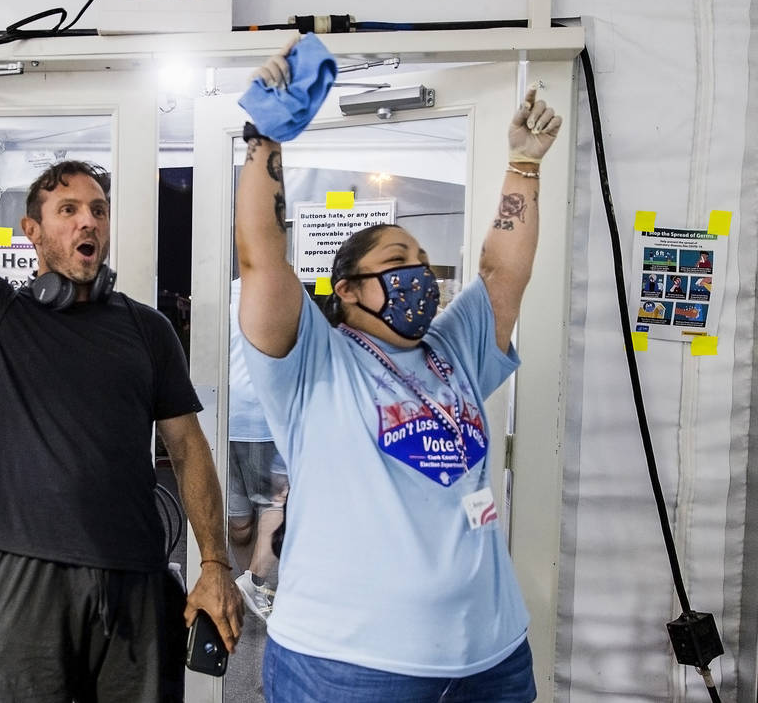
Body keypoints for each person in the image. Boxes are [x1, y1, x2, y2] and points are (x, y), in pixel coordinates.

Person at [0, 15, 243, 702]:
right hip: (23, 579)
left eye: (97, 208)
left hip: (135, 577)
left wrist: (214, 560)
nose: (87, 220)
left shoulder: (147, 330)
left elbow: (188, 447)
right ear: (33, 230)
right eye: (67, 209)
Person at [234, 39, 562, 702]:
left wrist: (523, 165)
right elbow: (261, 260)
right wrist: (265, 141)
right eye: (396, 259)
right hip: (346, 663)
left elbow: (501, 270)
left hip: (490, 656)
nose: (417, 271)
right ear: (348, 290)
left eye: (420, 256)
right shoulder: (314, 361)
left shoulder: (455, 345)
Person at [227, 278, 288, 621]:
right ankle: (253, 583)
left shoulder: (221, 293)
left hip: (226, 414)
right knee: (273, 504)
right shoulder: (282, 291)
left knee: (240, 521)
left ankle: (251, 586)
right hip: (262, 418)